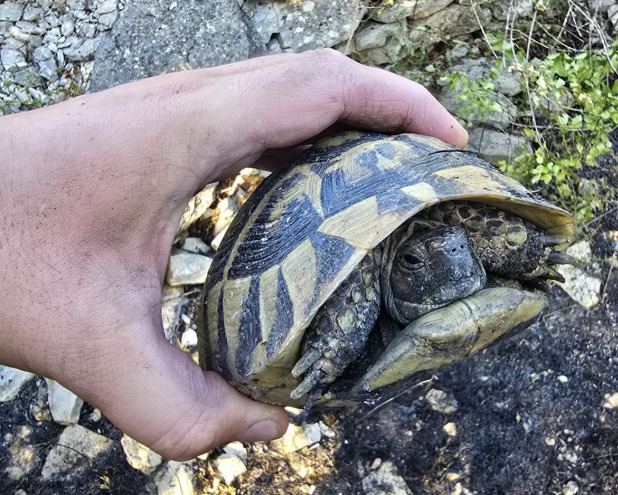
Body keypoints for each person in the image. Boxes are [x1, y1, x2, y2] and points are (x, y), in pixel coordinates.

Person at [0, 49, 468, 461]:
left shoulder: (456, 239)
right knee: (354, 292)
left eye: (460, 247)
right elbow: (358, 288)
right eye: (410, 262)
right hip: (331, 304)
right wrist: (331, 351)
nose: (454, 252)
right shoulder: (365, 286)